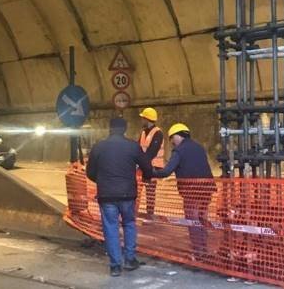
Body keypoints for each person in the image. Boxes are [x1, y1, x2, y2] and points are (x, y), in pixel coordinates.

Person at [86, 118, 153, 276]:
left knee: (110, 228)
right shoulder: (132, 146)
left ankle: (115, 266)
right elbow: (147, 166)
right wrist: (147, 177)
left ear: (110, 129)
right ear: (124, 129)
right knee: (129, 223)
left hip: (106, 195)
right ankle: (130, 259)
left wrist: (103, 181)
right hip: (127, 194)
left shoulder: (98, 147)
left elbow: (90, 172)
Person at [153, 123, 216, 258]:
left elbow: (166, 171)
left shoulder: (179, 151)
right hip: (207, 189)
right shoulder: (199, 147)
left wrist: (151, 172)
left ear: (177, 135)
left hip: (191, 192)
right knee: (202, 219)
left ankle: (198, 252)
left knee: (193, 221)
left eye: (171, 139)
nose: (171, 143)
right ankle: (204, 249)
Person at [137, 107, 164, 216]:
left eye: (143, 118)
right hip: (143, 166)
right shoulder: (143, 132)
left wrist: (140, 162)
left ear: (147, 119)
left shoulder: (158, 133)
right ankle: (134, 211)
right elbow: (138, 147)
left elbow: (152, 151)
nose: (141, 120)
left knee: (150, 192)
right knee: (137, 190)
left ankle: (150, 214)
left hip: (153, 167)